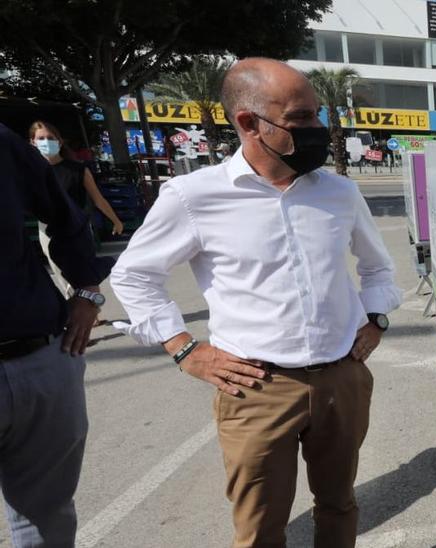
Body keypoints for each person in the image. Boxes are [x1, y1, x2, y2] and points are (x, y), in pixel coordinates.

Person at [110, 58, 402, 548]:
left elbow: (378, 267)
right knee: (260, 527)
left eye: (316, 116)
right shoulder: (193, 196)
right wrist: (186, 349)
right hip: (257, 388)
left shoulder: (339, 192)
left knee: (339, 504)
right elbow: (135, 277)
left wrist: (375, 318)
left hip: (341, 378)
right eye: (302, 118)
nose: (318, 130)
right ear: (248, 123)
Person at [1, 122, 113, 547]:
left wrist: (87, 290)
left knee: (47, 519)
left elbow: (67, 218)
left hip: (38, 360)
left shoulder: (4, 146)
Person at [30, 121, 125, 236]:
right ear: (33, 142)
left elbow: (98, 199)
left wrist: (116, 221)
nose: (46, 142)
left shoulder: (78, 170)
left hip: (76, 226)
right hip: (48, 228)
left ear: (59, 142)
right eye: (41, 138)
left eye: (50, 138)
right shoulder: (33, 171)